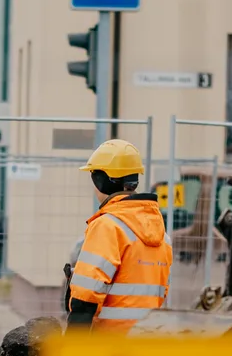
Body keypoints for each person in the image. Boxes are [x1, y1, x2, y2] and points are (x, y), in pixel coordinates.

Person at [65, 139, 171, 331]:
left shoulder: (107, 227)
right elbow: (162, 290)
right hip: (149, 338)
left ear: (102, 180)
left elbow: (86, 294)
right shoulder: (162, 233)